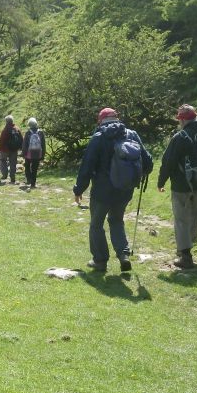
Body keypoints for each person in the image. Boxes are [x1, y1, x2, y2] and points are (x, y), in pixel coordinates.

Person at [73, 108, 152, 272]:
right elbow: (148, 162)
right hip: (125, 190)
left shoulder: (98, 138)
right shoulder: (131, 134)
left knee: (96, 225)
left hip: (102, 192)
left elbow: (87, 166)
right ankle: (123, 254)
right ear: (117, 118)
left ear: (100, 121)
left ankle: (100, 261)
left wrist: (78, 189)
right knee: (116, 221)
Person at [157, 104, 197, 269]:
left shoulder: (180, 137)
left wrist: (161, 181)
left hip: (181, 186)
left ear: (183, 120)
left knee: (181, 219)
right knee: (195, 217)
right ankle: (188, 246)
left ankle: (185, 256)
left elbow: (168, 162)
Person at [22, 117, 46, 189]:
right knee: (35, 168)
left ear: (29, 125)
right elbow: (43, 144)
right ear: (36, 124)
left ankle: (29, 179)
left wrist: (24, 153)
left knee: (27, 166)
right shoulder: (40, 132)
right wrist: (43, 154)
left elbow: (24, 144)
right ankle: (33, 184)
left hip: (29, 153)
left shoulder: (28, 133)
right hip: (38, 153)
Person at [0, 115, 21, 184]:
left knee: (3, 160)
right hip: (14, 150)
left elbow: (1, 140)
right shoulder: (17, 128)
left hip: (5, 150)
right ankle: (12, 177)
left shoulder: (6, 129)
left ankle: (4, 175)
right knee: (13, 163)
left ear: (6, 122)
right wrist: (20, 147)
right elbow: (21, 139)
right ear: (12, 121)